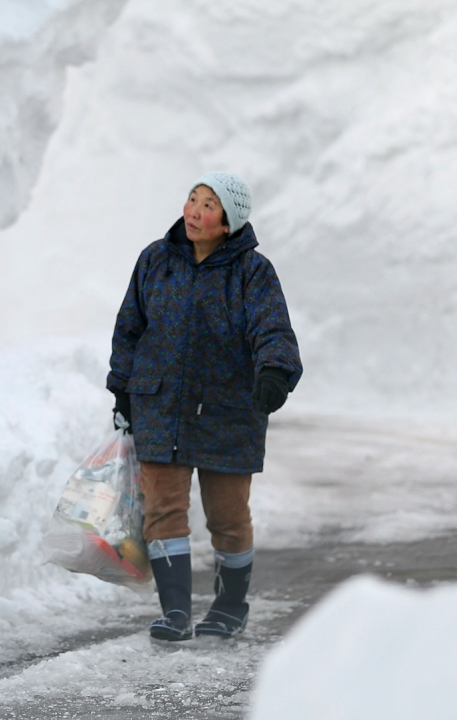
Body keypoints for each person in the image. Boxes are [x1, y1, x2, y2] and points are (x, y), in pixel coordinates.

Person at [107, 172, 302, 641]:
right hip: (160, 403)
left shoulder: (253, 272)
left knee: (228, 518)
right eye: (193, 198)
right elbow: (129, 328)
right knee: (163, 511)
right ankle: (175, 612)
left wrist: (274, 372)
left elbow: (272, 329)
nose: (194, 210)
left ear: (229, 222)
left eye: (208, 205)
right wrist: (122, 388)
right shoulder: (155, 260)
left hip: (228, 408)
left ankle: (230, 605)